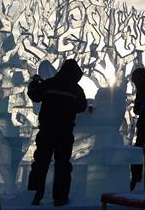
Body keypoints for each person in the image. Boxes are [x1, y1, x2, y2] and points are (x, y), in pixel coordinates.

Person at [27, 59, 88, 207]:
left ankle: (34, 196)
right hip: (65, 131)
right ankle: (60, 198)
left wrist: (34, 83)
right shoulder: (76, 89)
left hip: (47, 129)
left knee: (41, 163)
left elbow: (34, 95)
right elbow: (82, 107)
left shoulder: (49, 84)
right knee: (63, 165)